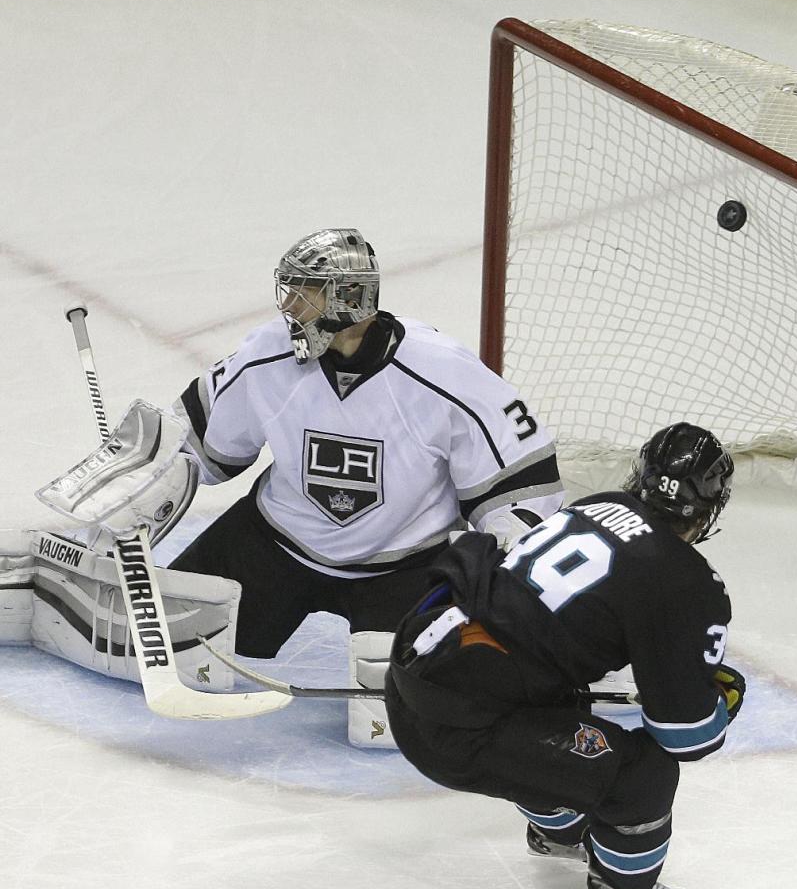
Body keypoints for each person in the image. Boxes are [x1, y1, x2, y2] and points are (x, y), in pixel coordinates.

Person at [167, 228, 564, 743]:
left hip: (405, 567)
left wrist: (498, 574)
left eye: (304, 291)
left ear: (348, 299)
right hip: (274, 546)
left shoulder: (444, 372)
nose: (289, 304)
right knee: (168, 637)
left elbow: (521, 489)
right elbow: (198, 447)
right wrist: (152, 478)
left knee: (411, 705)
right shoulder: (267, 353)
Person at [383, 422, 744, 889]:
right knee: (642, 773)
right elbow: (686, 737)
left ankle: (558, 831)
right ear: (710, 508)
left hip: (416, 669)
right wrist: (716, 703)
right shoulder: (688, 582)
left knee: (560, 697)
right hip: (456, 730)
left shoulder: (596, 505)